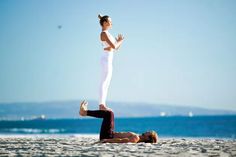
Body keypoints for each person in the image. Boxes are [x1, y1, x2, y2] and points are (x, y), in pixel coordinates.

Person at [79, 100, 158, 143]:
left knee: (110, 113)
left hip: (108, 136)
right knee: (110, 113)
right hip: (109, 134)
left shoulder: (136, 138)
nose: (148, 131)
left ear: (148, 138)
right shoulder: (137, 137)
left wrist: (107, 141)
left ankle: (84, 112)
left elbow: (123, 140)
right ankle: (89, 111)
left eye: (149, 132)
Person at [98, 14, 124, 111]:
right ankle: (101, 105)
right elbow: (114, 46)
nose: (111, 23)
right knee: (104, 82)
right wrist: (120, 41)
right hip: (106, 58)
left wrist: (118, 42)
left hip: (109, 58)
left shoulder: (108, 33)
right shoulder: (104, 33)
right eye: (110, 21)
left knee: (107, 83)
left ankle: (103, 104)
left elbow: (116, 48)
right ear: (105, 23)